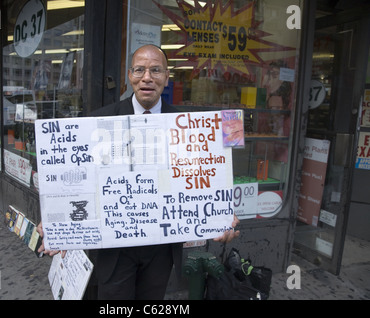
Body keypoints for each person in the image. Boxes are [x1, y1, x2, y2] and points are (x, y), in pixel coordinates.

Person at [38, 44, 240, 299]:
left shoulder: (189, 129)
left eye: (156, 70)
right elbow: (75, 176)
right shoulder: (98, 120)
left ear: (167, 77)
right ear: (130, 76)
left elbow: (204, 179)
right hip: (115, 248)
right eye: (140, 70)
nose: (147, 77)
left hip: (161, 249)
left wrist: (221, 217)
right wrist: (57, 218)